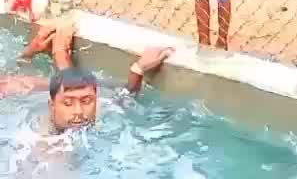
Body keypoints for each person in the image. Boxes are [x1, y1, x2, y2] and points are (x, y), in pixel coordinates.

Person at [0, 19, 173, 135]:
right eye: (69, 103)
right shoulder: (50, 144)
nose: (78, 111)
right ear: (51, 106)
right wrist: (60, 53)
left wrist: (30, 52)